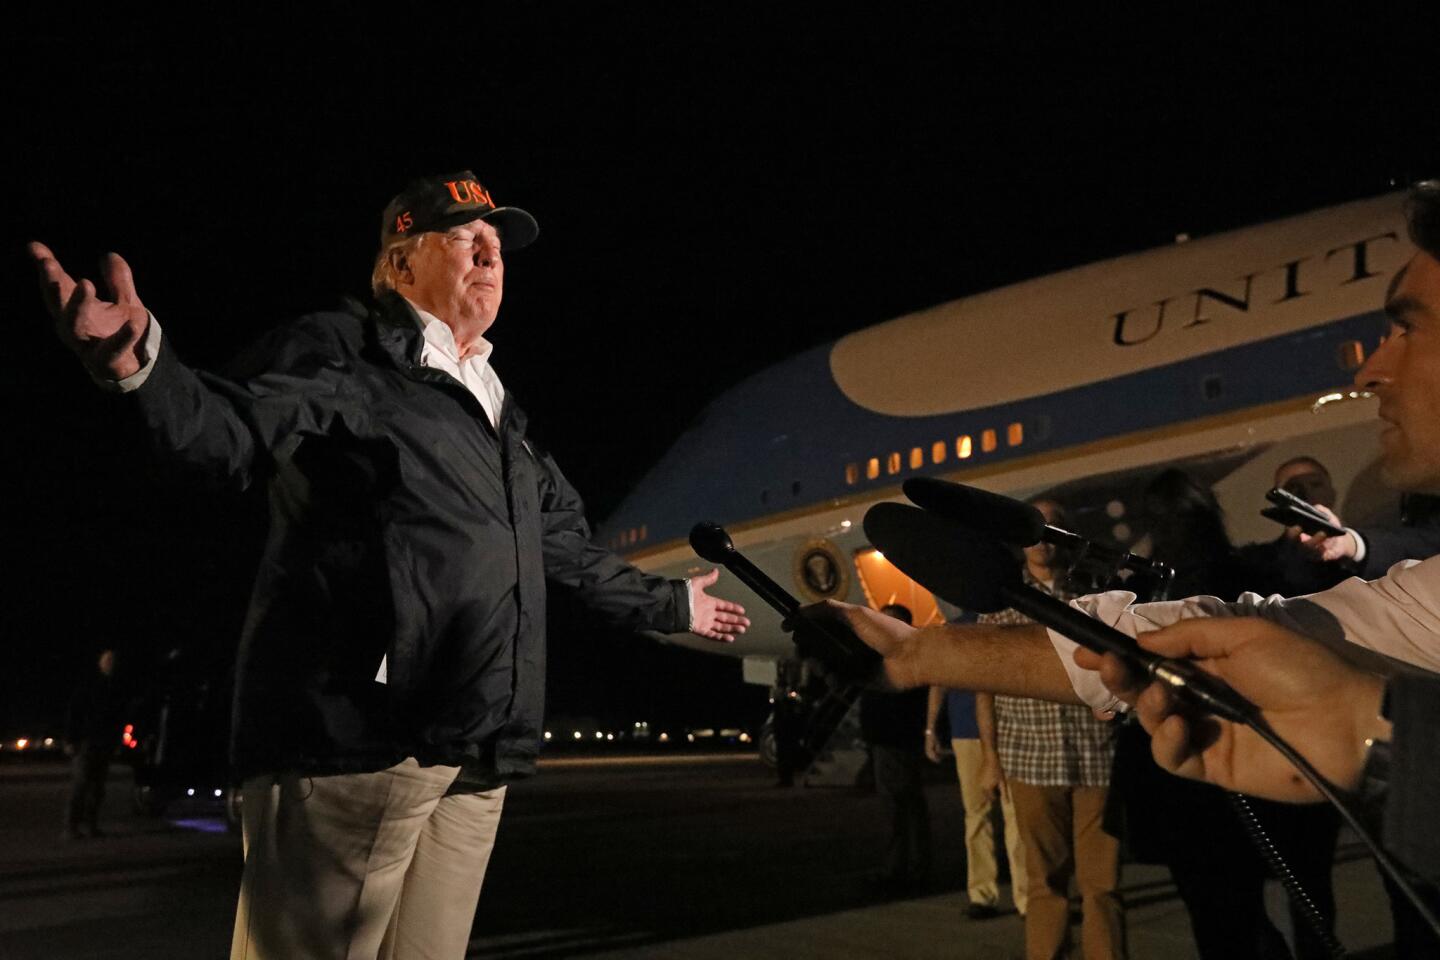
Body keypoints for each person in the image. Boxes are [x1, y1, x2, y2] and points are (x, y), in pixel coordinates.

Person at [30, 170, 749, 960]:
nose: (490, 255)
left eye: (497, 244)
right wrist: (144, 370)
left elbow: (565, 546)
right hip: (360, 742)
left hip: (477, 747)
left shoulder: (497, 404)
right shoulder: (344, 351)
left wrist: (671, 605)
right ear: (400, 265)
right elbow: (230, 431)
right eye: (464, 238)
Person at [974, 499, 1121, 960]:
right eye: (1032, 529)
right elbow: (984, 688)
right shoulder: (1000, 603)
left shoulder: (1094, 596)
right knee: (1044, 883)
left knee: (1104, 885)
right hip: (1030, 758)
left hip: (1098, 756)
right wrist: (991, 760)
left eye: (1053, 527)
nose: (1041, 538)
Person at [927, 683, 1024, 920]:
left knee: (1016, 816)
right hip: (966, 729)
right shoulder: (949, 645)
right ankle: (982, 894)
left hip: (1008, 727)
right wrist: (930, 729)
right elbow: (938, 681)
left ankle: (1027, 897)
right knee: (977, 813)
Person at [860, 604, 932, 896]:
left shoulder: (895, 658)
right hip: (898, 740)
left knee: (897, 808)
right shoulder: (911, 656)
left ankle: (898, 869)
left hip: (892, 741)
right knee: (910, 806)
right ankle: (914, 866)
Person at [63, 648, 125, 840]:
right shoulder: (88, 685)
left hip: (104, 744)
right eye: (107, 659)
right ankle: (71, 827)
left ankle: (91, 825)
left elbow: (117, 719)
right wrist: (70, 740)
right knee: (81, 785)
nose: (110, 663)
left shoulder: (115, 688)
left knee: (97, 788)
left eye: (112, 660)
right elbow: (74, 713)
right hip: (85, 743)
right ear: (100, 662)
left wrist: (116, 741)